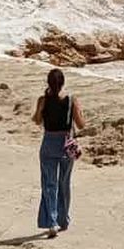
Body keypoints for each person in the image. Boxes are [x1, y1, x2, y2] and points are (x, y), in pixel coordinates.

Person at [32, 68, 85, 238]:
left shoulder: (43, 100)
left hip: (48, 144)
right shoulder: (71, 100)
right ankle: (63, 219)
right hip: (65, 145)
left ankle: (52, 222)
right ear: (63, 83)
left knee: (49, 184)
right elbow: (81, 124)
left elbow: (37, 120)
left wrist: (41, 109)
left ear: (48, 83)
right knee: (64, 183)